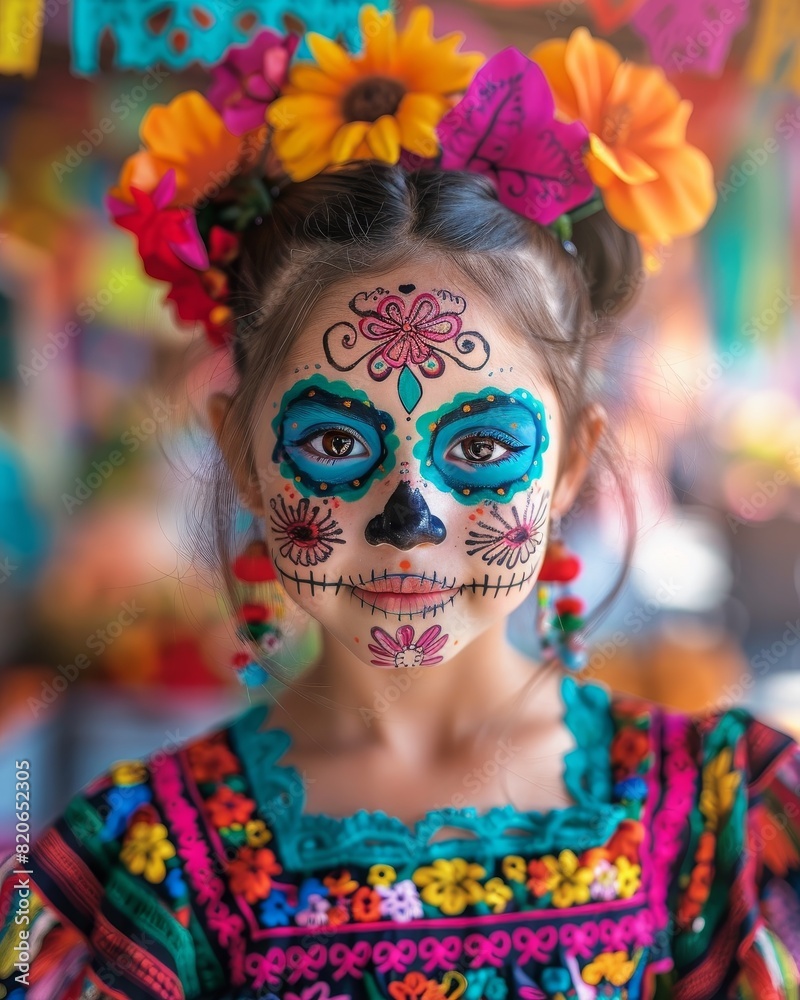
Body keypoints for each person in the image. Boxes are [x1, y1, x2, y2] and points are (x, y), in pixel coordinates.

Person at [2, 7, 799, 999]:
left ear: (568, 464)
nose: (407, 516)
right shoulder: (138, 875)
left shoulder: (725, 829)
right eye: (334, 443)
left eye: (479, 446)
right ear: (243, 459)